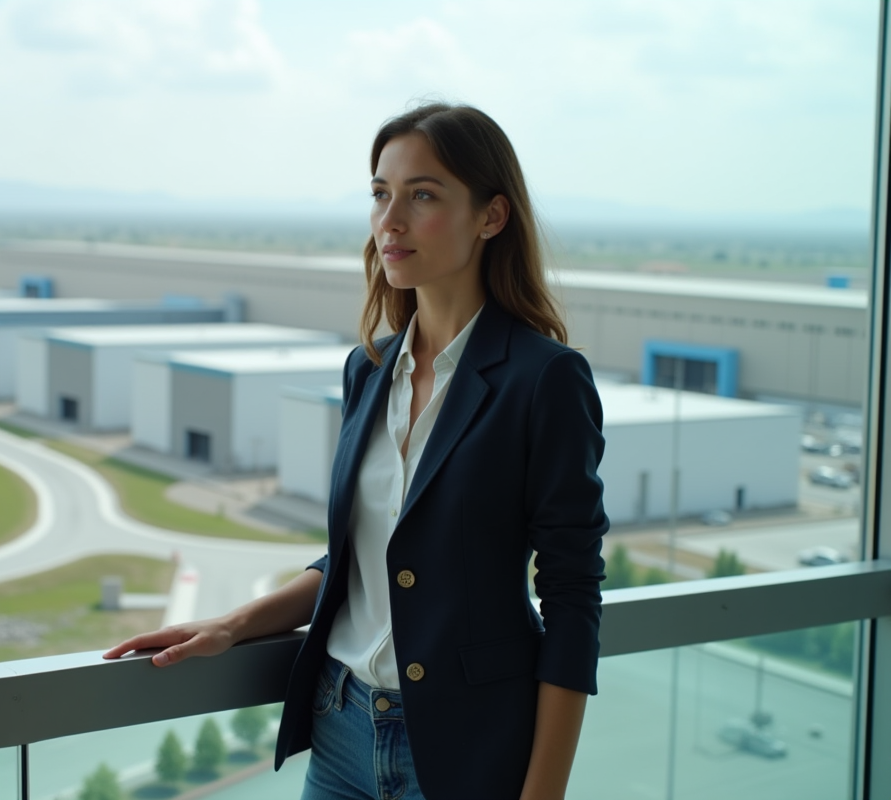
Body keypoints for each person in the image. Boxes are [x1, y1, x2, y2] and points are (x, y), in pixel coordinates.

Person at [104, 103, 609, 800]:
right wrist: (231, 626)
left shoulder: (544, 379)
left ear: (491, 217)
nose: (390, 221)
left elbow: (572, 596)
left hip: (466, 748)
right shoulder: (368, 370)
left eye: (422, 195)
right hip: (340, 730)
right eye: (380, 194)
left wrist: (543, 793)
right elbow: (362, 558)